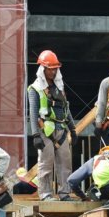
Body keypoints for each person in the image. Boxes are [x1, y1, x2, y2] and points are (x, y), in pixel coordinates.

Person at [28, 50, 77, 201]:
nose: (53, 71)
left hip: (61, 131)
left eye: (55, 68)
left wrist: (73, 129)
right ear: (43, 69)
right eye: (50, 68)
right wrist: (35, 134)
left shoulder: (59, 87)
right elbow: (34, 113)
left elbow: (65, 109)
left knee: (65, 164)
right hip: (45, 131)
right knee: (45, 164)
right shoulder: (35, 89)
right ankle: (46, 194)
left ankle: (65, 193)